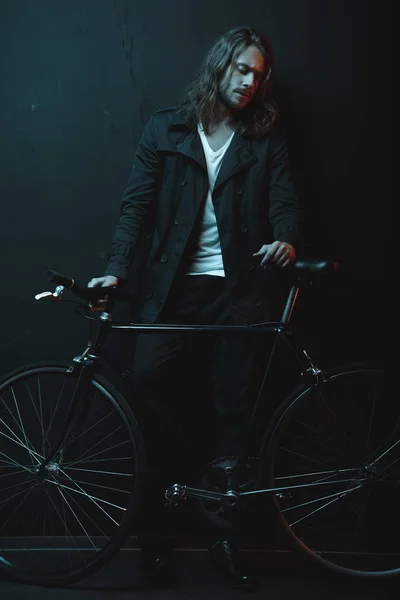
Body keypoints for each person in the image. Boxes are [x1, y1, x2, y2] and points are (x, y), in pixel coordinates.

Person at [88, 25, 303, 589]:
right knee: (146, 396)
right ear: (220, 66)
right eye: (241, 69)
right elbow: (135, 207)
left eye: (259, 74)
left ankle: (227, 541)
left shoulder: (265, 138)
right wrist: (115, 268)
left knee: (234, 417)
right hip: (171, 292)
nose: (250, 82)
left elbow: (285, 198)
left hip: (238, 294)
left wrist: (286, 238)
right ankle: (155, 539)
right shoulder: (168, 128)